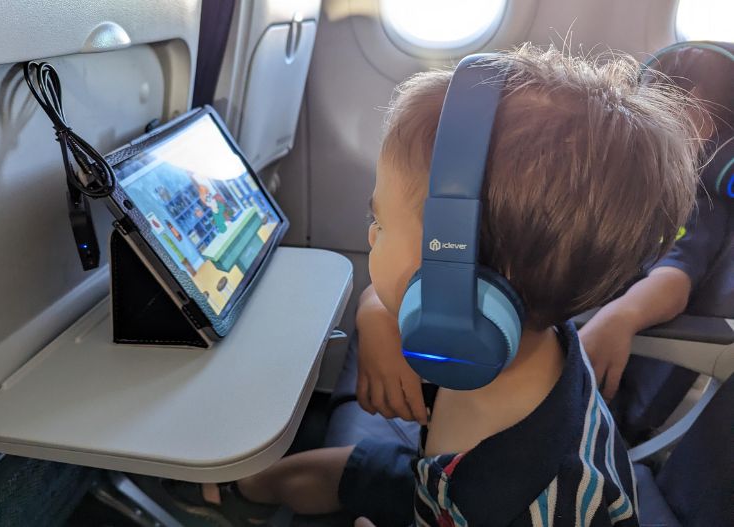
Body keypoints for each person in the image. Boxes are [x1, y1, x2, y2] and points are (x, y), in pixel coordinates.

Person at [163, 44, 700, 526]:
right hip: (441, 478)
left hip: (465, 503)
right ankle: (244, 487)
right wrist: (377, 315)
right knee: (332, 471)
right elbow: (397, 295)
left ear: (455, 276)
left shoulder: (549, 502)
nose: (369, 232)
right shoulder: (518, 332)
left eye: (381, 223)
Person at [579, 41, 733, 443]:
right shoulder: (641, 188)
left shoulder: (698, 206)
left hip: (600, 358)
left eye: (676, 120)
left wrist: (621, 316)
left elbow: (673, 280)